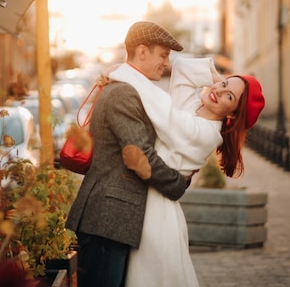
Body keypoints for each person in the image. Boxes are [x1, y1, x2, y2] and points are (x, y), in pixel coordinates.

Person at [109, 56, 265, 287]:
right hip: (145, 199)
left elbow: (164, 113)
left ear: (232, 115)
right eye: (222, 86)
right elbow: (181, 69)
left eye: (229, 97)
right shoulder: (192, 106)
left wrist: (123, 72)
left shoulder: (206, 134)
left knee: (148, 278)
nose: (219, 92)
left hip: (157, 212)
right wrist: (219, 78)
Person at [66, 21, 192, 287]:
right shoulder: (124, 93)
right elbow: (140, 154)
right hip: (108, 219)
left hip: (113, 220)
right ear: (142, 52)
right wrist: (178, 183)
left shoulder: (128, 87)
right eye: (163, 55)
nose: (167, 64)